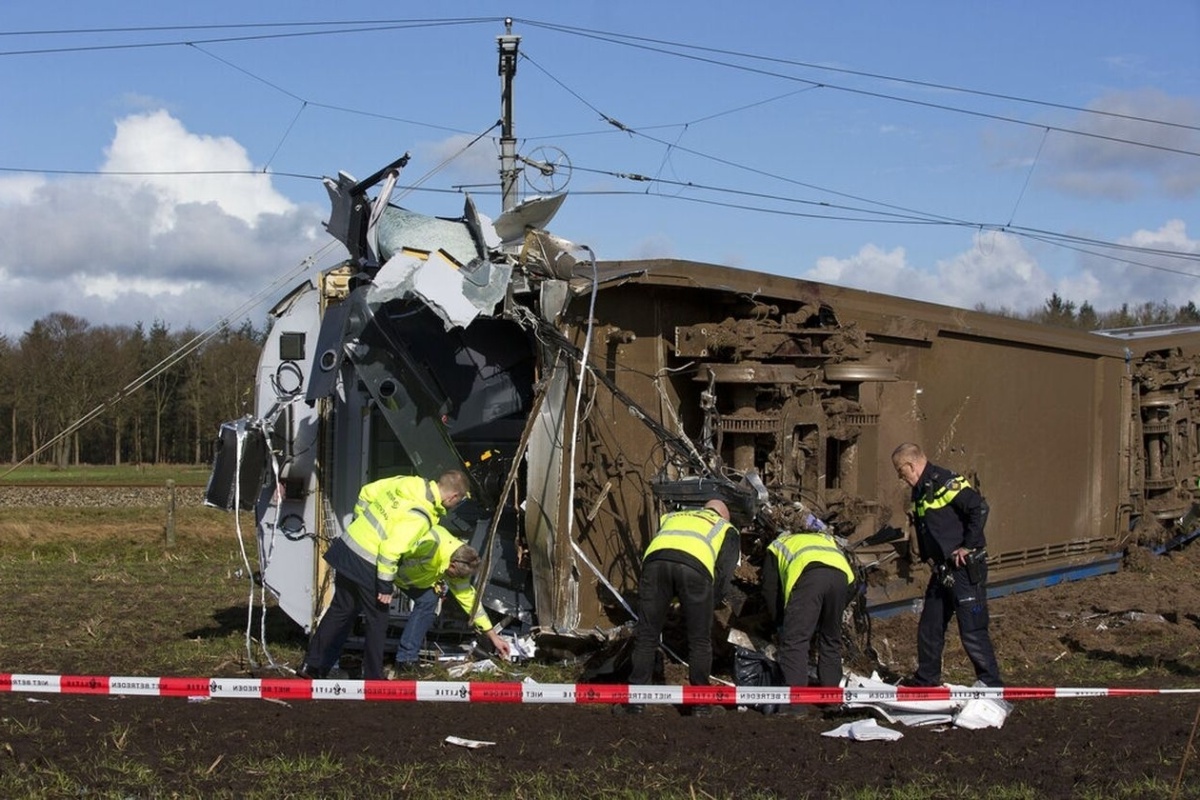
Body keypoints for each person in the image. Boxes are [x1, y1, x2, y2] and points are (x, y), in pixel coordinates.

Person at [297, 469, 478, 679]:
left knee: (341, 609)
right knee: (378, 620)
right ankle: (373, 678)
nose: (454, 506)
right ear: (453, 496)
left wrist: (360, 524)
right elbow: (390, 550)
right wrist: (385, 586)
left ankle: (312, 666)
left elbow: (368, 491)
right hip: (368, 560)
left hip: (349, 546)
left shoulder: (410, 483)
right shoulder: (423, 516)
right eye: (457, 502)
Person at [891, 442, 1002, 687]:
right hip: (942, 571)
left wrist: (968, 545)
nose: (902, 477)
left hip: (964, 570)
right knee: (929, 627)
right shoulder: (920, 490)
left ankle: (992, 686)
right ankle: (926, 681)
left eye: (901, 472)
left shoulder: (944, 482)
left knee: (972, 630)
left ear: (910, 465)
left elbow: (979, 507)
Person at [619, 498, 740, 716]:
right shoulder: (725, 527)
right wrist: (708, 605)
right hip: (695, 569)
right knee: (700, 640)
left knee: (647, 635)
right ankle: (701, 705)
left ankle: (635, 704)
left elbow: (669, 553)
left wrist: (672, 597)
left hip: (655, 565)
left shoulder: (672, 516)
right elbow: (723, 575)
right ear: (724, 515)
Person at [386, 524, 512, 675]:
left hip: (404, 579)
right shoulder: (428, 544)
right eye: (456, 576)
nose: (457, 580)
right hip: (383, 569)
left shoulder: (458, 561)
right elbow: (391, 552)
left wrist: (493, 635)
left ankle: (406, 661)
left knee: (429, 599)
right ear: (452, 565)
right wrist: (383, 582)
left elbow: (469, 600)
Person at [762, 521, 856, 714]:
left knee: (795, 641)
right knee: (831, 640)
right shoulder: (825, 541)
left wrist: (779, 622)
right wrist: (826, 615)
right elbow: (853, 585)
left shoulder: (778, 545)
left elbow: (769, 589)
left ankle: (795, 706)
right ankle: (832, 701)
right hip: (842, 580)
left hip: (810, 578)